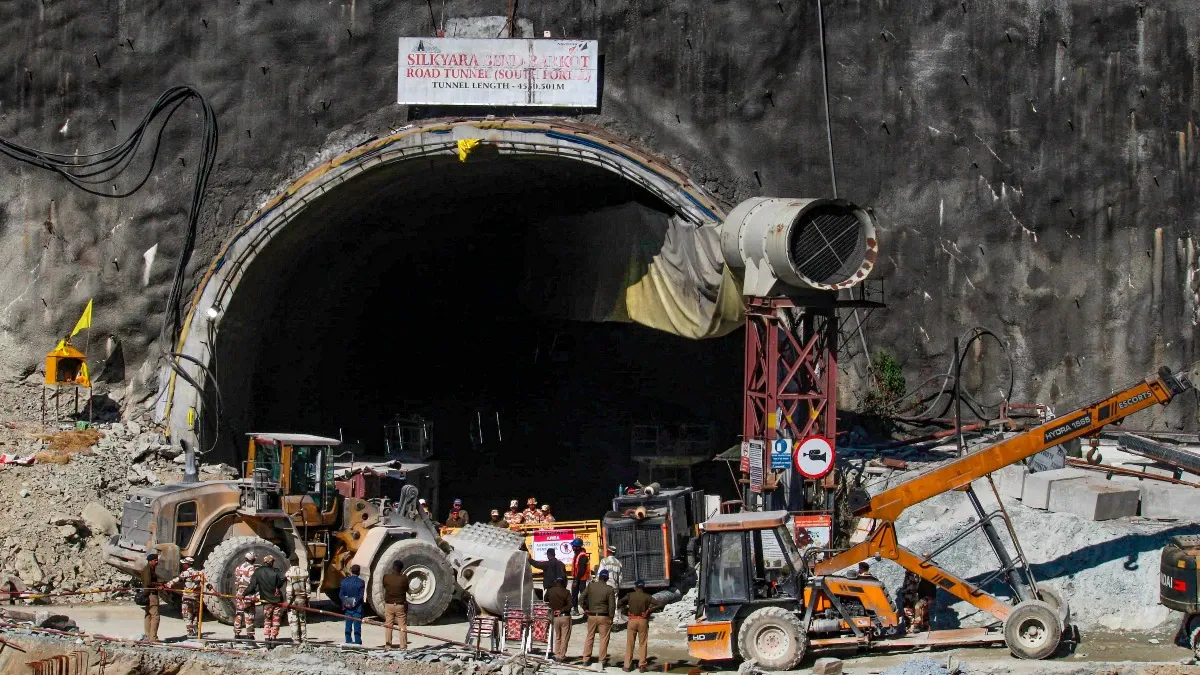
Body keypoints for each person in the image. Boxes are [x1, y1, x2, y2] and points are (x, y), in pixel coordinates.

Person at [244, 554, 286, 643]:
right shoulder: (276, 571)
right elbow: (283, 577)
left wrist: (244, 594)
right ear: (272, 562)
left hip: (266, 601)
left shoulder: (258, 571)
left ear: (264, 562)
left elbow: (252, 586)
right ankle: (274, 639)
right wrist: (278, 587)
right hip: (278, 600)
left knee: (267, 620)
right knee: (276, 620)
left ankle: (267, 640)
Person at [620, 580, 659, 672]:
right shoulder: (647, 596)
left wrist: (626, 611)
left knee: (630, 643)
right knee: (643, 643)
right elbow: (660, 604)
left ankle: (627, 666)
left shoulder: (630, 595)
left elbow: (619, 602)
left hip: (632, 620)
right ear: (643, 587)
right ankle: (642, 665)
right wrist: (649, 611)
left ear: (635, 587)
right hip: (643, 620)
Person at [581, 569, 616, 669]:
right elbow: (612, 606)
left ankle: (585, 659)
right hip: (604, 616)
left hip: (591, 615)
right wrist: (611, 618)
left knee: (590, 637)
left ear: (599, 577)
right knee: (603, 639)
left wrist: (585, 609)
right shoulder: (609, 589)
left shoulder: (591, 586)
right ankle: (601, 660)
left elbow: (581, 598)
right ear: (607, 578)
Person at [167, 556, 205, 638]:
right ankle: (196, 631)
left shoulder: (185, 573)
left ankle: (190, 633)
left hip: (187, 597)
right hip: (196, 598)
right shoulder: (199, 573)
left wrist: (167, 585)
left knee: (187, 615)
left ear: (187, 565)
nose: (183, 565)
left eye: (184, 564)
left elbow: (176, 580)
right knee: (195, 615)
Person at [382, 559, 409, 650]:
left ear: (392, 567)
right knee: (402, 626)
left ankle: (388, 645)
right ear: (401, 569)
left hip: (389, 605)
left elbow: (384, 586)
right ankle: (403, 646)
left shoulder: (386, 577)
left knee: (388, 625)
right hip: (400, 605)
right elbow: (407, 589)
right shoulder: (404, 578)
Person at [545, 576, 572, 661]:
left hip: (555, 617)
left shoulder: (550, 591)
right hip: (565, 616)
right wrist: (561, 610)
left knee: (558, 636)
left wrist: (552, 606)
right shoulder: (567, 592)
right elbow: (570, 605)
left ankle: (557, 654)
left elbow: (545, 600)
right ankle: (561, 655)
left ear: (555, 582)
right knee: (565, 637)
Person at [233, 551, 258, 640]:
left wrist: (239, 591)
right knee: (249, 614)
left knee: (239, 613)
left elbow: (236, 582)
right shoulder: (251, 568)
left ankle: (237, 634)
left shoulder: (238, 567)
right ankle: (250, 635)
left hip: (239, 594)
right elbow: (253, 583)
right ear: (252, 559)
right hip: (248, 594)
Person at [339, 564, 366, 645]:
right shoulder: (361, 582)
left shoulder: (344, 581)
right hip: (357, 608)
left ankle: (348, 642)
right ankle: (357, 643)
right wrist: (353, 602)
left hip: (347, 608)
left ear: (351, 571)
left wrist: (347, 602)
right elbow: (360, 596)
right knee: (357, 628)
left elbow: (341, 595)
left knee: (348, 627)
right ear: (359, 572)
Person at [284, 560, 310, 643]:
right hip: (302, 599)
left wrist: (288, 602)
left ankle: (296, 640)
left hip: (293, 601)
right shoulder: (305, 572)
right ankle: (304, 639)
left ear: (290, 563)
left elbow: (289, 590)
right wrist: (308, 600)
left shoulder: (289, 573)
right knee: (302, 620)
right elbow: (308, 588)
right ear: (298, 562)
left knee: (294, 621)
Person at [598, 545, 624, 622]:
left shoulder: (604, 561)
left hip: (605, 586)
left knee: (604, 602)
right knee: (615, 604)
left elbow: (599, 574)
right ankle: (615, 621)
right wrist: (618, 586)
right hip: (615, 586)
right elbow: (620, 577)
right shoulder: (619, 563)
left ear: (608, 551)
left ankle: (606, 620)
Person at [140, 552, 161, 641]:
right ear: (150, 561)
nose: (157, 562)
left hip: (148, 594)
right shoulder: (147, 569)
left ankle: (148, 636)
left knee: (148, 615)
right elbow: (148, 583)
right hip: (151, 595)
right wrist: (158, 585)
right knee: (155, 616)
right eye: (155, 560)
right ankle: (153, 638)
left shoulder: (151, 569)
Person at [570, 538, 591, 616]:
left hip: (581, 579)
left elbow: (581, 570)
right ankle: (575, 609)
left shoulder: (582, 556)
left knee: (583, 595)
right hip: (578, 578)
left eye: (574, 546)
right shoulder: (577, 554)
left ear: (578, 547)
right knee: (574, 594)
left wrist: (576, 580)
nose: (572, 547)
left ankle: (587, 611)